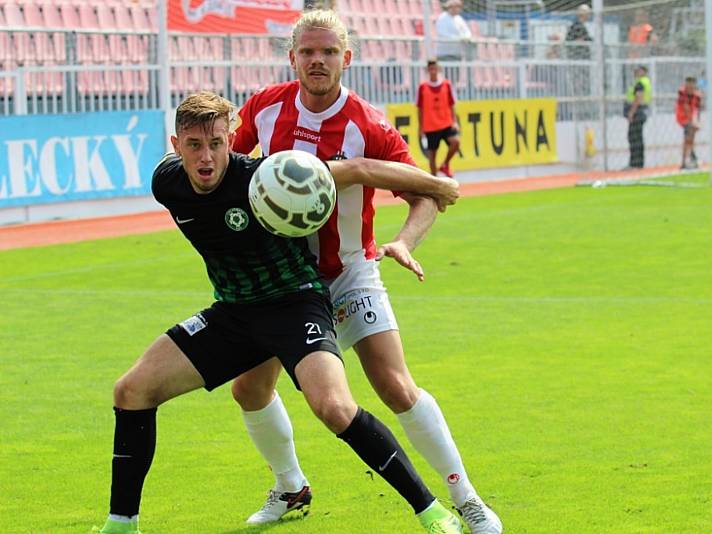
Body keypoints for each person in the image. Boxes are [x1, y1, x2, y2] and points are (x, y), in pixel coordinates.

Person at [93, 91, 464, 534]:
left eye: (216, 142)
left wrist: (436, 185)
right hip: (233, 314)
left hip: (295, 303)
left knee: (334, 407)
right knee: (131, 390)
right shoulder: (166, 183)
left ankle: (431, 511)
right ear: (176, 146)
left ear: (232, 139)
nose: (206, 156)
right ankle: (121, 525)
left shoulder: (264, 177)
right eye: (194, 145)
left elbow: (359, 169)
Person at [231, 9, 503, 534]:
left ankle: (467, 499)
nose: (317, 61)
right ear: (292, 58)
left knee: (396, 387)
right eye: (307, 52)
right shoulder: (263, 108)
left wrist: (403, 240)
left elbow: (426, 194)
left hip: (350, 271)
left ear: (346, 59)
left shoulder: (369, 123)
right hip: (282, 279)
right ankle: (290, 487)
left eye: (328, 52)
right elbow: (232, 174)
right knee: (248, 389)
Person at [417, 59, 460, 179]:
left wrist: (455, 121)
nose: (433, 71)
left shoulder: (446, 85)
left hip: (446, 123)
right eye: (431, 69)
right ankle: (434, 182)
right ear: (428, 70)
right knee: (432, 156)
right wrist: (420, 128)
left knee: (455, 142)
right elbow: (420, 108)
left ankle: (445, 164)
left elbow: (452, 104)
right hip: (431, 126)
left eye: (435, 68)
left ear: (438, 69)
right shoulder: (423, 87)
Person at [435, 0, 472, 86]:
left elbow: (467, 31)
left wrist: (466, 37)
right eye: (457, 6)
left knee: (454, 78)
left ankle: (452, 95)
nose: (459, 9)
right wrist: (459, 39)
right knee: (448, 77)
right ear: (451, 7)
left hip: (456, 53)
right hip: (445, 54)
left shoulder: (459, 19)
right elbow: (443, 33)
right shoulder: (442, 18)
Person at [624, 65, 651, 169]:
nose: (635, 72)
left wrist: (631, 112)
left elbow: (638, 98)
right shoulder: (645, 82)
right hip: (641, 112)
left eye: (638, 70)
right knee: (637, 137)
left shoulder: (640, 83)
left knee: (634, 138)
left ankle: (635, 163)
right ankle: (638, 163)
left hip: (637, 113)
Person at [675, 76, 702, 170]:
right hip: (682, 117)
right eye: (688, 85)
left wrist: (697, 122)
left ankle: (691, 156)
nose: (689, 87)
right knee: (688, 136)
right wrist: (693, 122)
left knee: (691, 138)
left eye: (692, 85)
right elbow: (686, 108)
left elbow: (697, 110)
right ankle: (686, 160)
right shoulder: (682, 93)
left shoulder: (697, 96)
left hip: (691, 118)